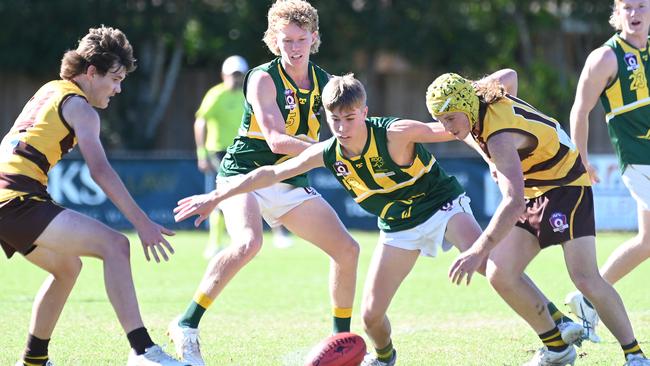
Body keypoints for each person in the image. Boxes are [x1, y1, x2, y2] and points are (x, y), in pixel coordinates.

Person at [173, 73, 583, 366]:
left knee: (491, 266)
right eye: (334, 120)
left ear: (364, 112)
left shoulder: (396, 132)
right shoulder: (328, 150)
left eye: (350, 119)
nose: (343, 128)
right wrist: (215, 195)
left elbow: (453, 127)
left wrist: (490, 104)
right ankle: (384, 358)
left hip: (441, 205)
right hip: (398, 227)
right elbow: (268, 173)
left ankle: (558, 326)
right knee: (370, 318)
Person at [166, 2, 360, 365]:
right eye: (286, 40)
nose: (294, 47)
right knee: (249, 242)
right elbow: (274, 139)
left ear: (314, 38)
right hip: (244, 174)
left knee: (347, 250)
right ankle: (186, 324)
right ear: (273, 40)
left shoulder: (327, 83)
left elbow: (352, 127)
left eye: (301, 38)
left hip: (289, 179)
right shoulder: (262, 77)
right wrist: (334, 149)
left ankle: (341, 344)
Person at [426, 71, 650, 365]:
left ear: (467, 106)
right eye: (440, 119)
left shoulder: (499, 138)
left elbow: (512, 201)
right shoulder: (481, 97)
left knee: (585, 277)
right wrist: (489, 160)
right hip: (537, 188)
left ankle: (636, 356)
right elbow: (511, 75)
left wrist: (476, 250)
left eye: (450, 118)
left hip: (566, 185)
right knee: (500, 272)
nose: (445, 127)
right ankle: (557, 347)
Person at [0, 26, 186, 366]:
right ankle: (143, 351)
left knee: (67, 268)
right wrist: (142, 223)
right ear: (90, 72)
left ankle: (33, 361)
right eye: (114, 79)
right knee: (116, 245)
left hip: (10, 198)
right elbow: (100, 171)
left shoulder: (50, 90)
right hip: (16, 199)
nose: (118, 89)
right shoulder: (81, 107)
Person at [566, 0, 650, 345]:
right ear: (618, 13)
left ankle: (588, 300)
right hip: (638, 159)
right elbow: (580, 109)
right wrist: (580, 157)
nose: (635, 13)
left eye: (642, 6)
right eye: (628, 6)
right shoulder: (605, 57)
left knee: (647, 242)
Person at [193, 55, 248, 258]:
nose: (236, 79)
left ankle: (235, 240)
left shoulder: (246, 96)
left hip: (241, 152)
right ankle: (215, 242)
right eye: (233, 74)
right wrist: (202, 154)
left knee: (236, 196)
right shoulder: (215, 95)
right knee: (224, 195)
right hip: (219, 151)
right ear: (224, 75)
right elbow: (201, 122)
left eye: (239, 75)